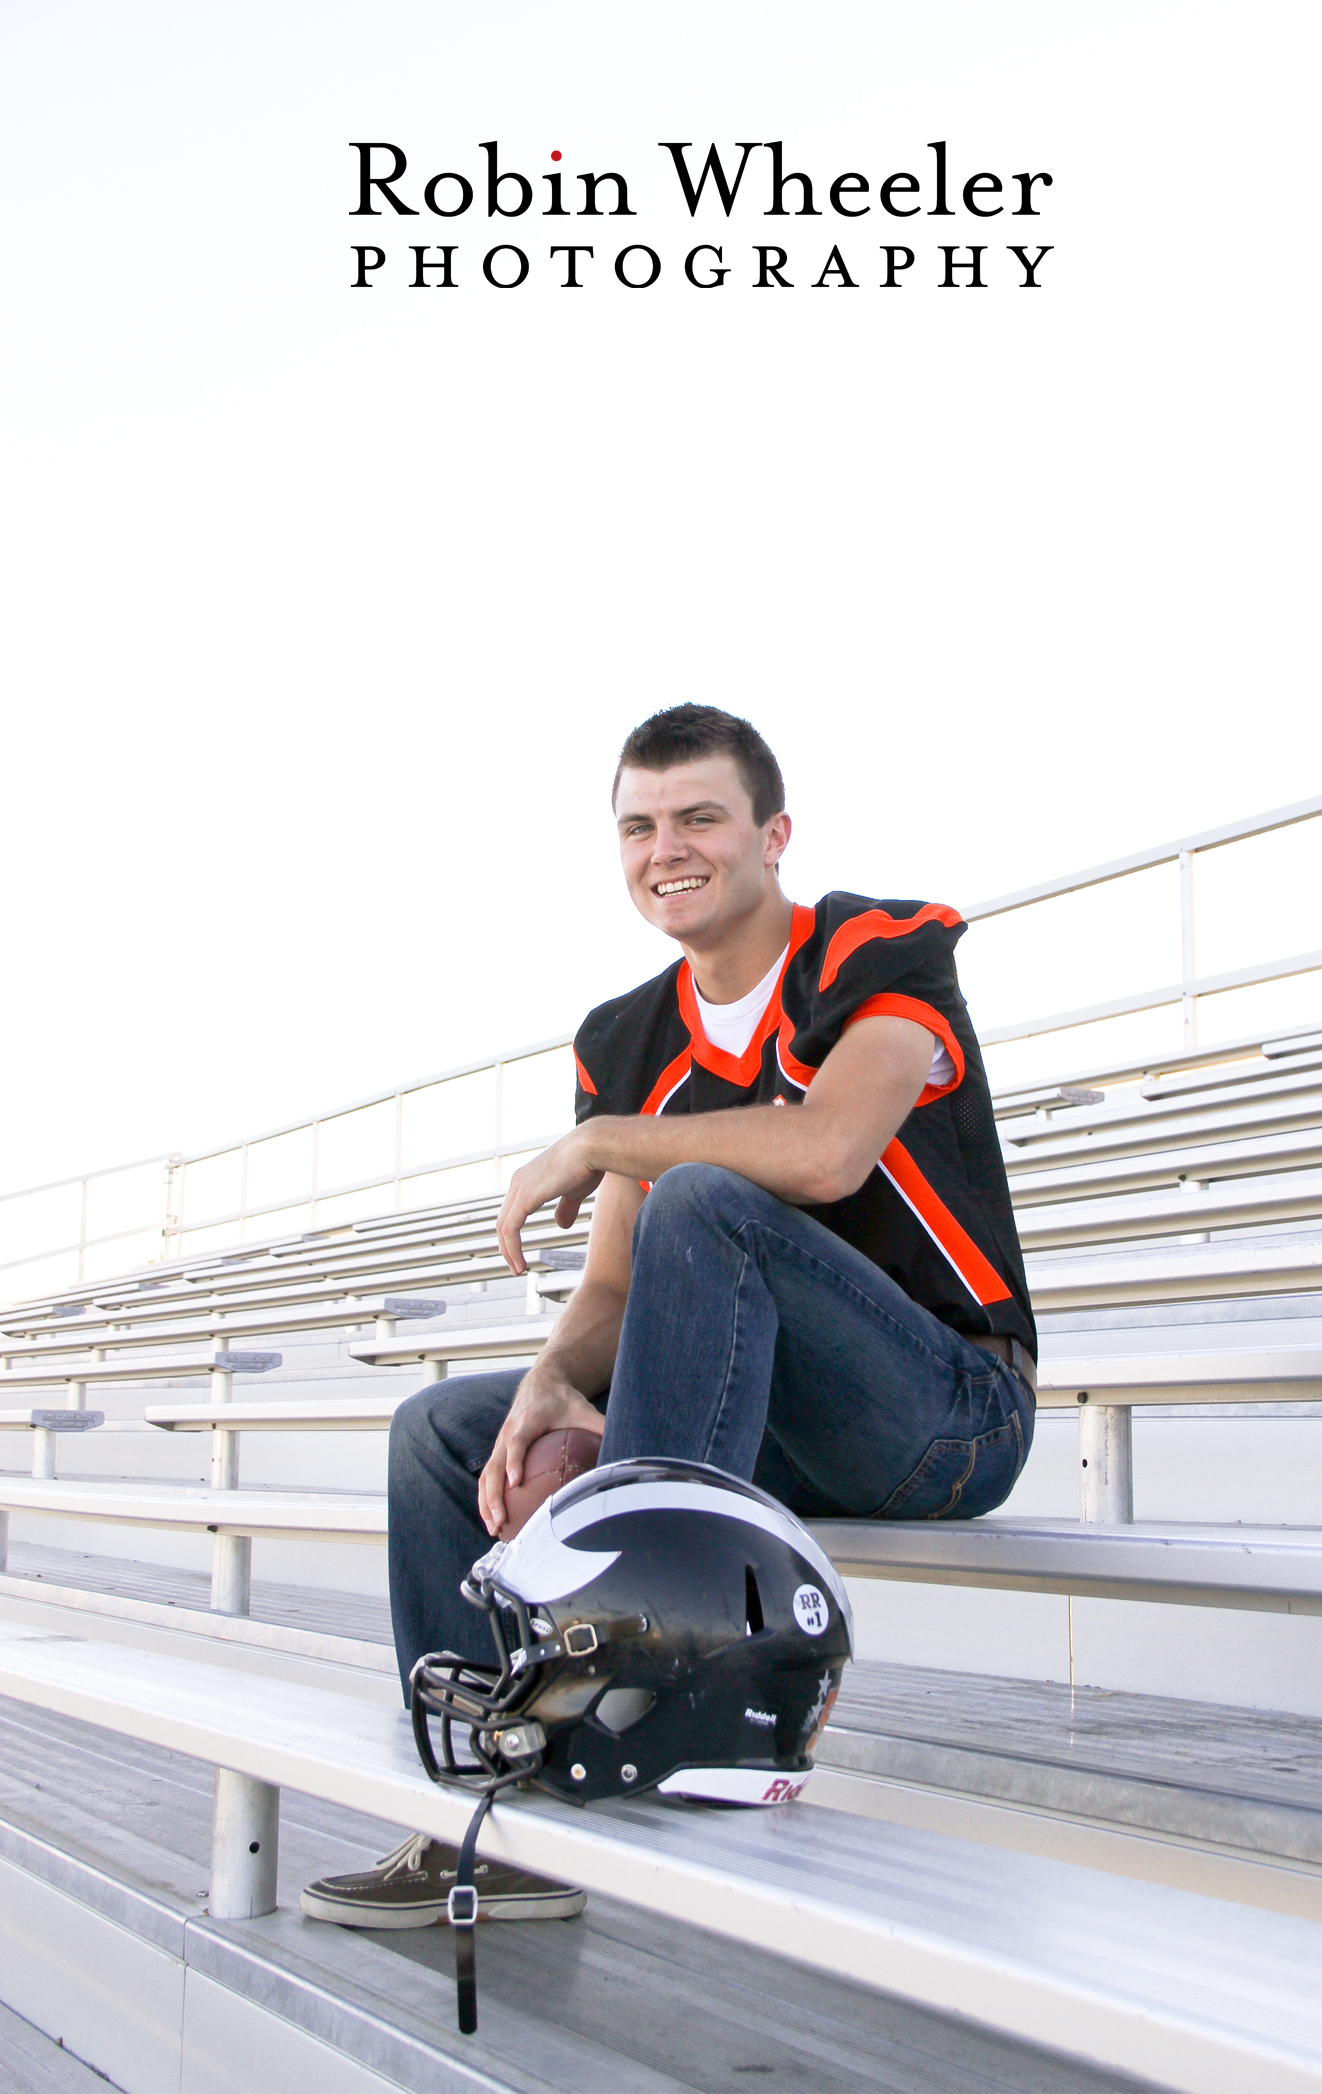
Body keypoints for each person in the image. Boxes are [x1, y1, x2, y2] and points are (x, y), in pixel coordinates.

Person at [301, 702, 1036, 1929]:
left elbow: (827, 1151)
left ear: (773, 833)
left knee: (708, 1198)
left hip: (941, 1408)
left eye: (699, 816)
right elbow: (610, 1288)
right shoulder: (628, 1036)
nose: (666, 848)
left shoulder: (880, 954)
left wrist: (598, 1141)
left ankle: (672, 1661)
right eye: (638, 826)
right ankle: (489, 1822)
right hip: (758, 1417)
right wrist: (548, 1380)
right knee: (443, 1429)